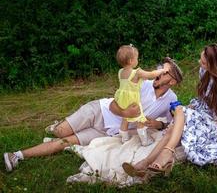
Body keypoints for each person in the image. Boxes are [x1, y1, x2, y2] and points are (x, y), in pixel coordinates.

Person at [3, 57, 183, 172]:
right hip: (100, 111)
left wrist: (157, 124)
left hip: (106, 132)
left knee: (62, 142)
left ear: (172, 81)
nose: (159, 71)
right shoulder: (141, 83)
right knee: (59, 132)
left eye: (165, 71)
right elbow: (114, 105)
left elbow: (168, 123)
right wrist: (125, 112)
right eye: (161, 67)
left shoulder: (171, 99)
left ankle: (16, 155)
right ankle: (58, 125)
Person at [122, 44, 217, 177]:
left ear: (213, 65)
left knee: (179, 110)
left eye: (203, 62)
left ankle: (167, 153)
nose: (199, 63)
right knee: (173, 127)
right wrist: (191, 108)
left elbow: (214, 113)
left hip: (214, 122)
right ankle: (147, 163)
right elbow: (202, 100)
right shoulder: (204, 71)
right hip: (202, 113)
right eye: (200, 59)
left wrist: (188, 112)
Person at [113, 44, 169, 146]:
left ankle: (124, 138)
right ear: (131, 61)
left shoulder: (120, 72)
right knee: (140, 118)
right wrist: (162, 70)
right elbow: (151, 74)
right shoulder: (136, 72)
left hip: (121, 98)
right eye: (137, 58)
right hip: (132, 99)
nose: (137, 60)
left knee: (125, 118)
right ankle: (144, 140)